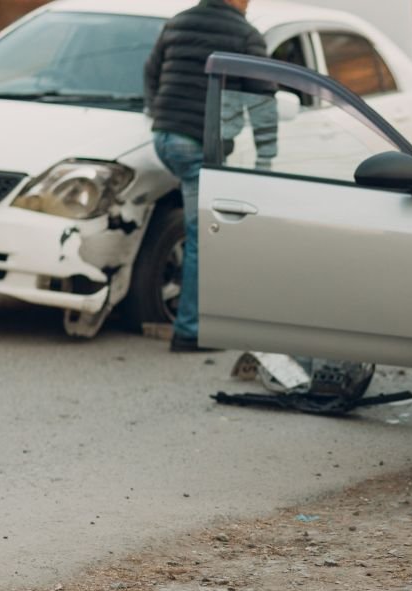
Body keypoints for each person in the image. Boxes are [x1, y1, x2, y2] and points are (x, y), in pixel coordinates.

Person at [144, 0, 274, 352]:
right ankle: (189, 331)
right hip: (196, 144)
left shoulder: (178, 23)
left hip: (165, 138)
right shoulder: (246, 35)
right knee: (204, 234)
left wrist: (158, 112)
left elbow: (150, 73)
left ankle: (193, 315)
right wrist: (267, 158)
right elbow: (263, 102)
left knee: (196, 227)